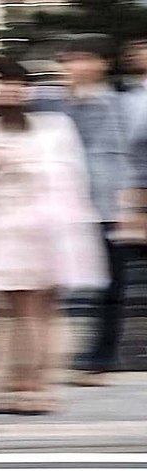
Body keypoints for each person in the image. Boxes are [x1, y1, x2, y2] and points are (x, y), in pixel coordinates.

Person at [0, 59, 106, 414]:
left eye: (15, 84)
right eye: (1, 85)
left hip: (48, 232)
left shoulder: (54, 126)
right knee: (10, 311)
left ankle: (39, 386)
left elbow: (70, 175)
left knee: (40, 310)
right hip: (0, 233)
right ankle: (10, 384)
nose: (9, 92)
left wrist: (17, 165)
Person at [56, 35, 132, 382]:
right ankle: (64, 351)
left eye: (83, 59)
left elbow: (124, 158)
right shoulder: (57, 104)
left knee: (110, 286)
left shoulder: (118, 104)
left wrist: (129, 203)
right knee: (62, 282)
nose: (75, 67)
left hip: (107, 205)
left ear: (103, 64)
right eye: (70, 60)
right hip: (64, 205)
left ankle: (102, 356)